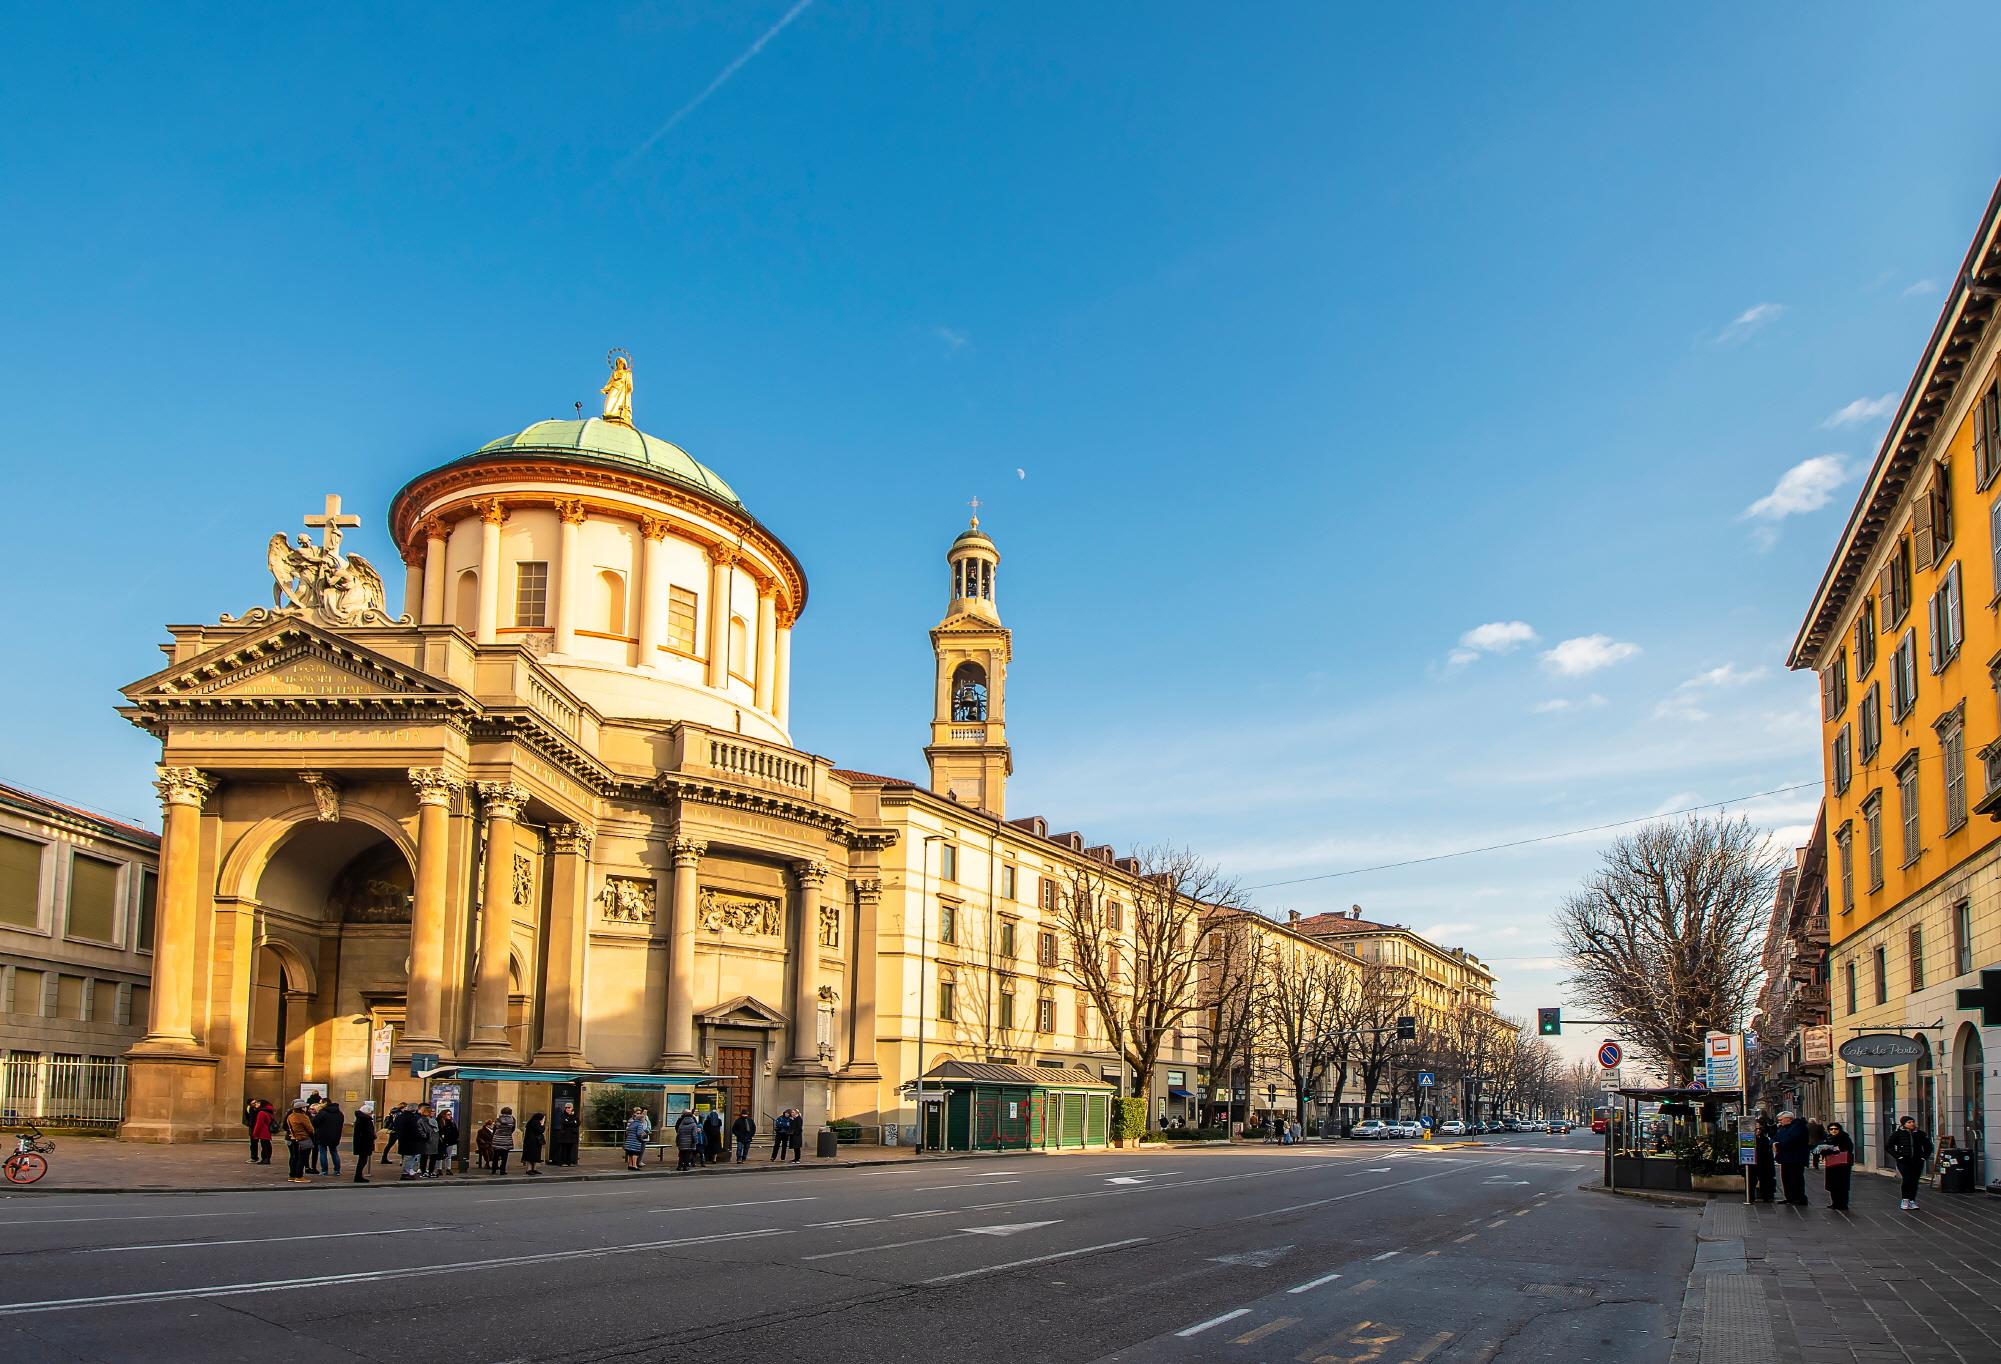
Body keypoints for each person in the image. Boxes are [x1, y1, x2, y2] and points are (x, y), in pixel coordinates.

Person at [1888, 1115, 1934, 1211]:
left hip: (1917, 1161)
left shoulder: (1920, 1134)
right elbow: (1889, 1146)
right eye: (1909, 1122)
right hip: (1904, 1160)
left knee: (1914, 1180)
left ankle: (1912, 1200)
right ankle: (1905, 1200)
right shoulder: (1897, 1134)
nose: (1911, 1124)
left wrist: (1923, 1157)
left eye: (1912, 1122)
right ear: (1903, 1124)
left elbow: (1928, 1146)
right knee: (1907, 1178)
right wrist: (1898, 1156)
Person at [1772, 1110, 1811, 1206]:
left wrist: (1779, 1144)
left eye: (1781, 1120)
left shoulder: (1799, 1127)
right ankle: (1789, 1197)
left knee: (1796, 1178)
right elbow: (1775, 1138)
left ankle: (1798, 1198)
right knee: (1786, 1178)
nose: (1779, 1122)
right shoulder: (1782, 1128)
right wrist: (1774, 1143)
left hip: (1796, 1157)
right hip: (1785, 1157)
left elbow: (1792, 1140)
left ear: (1788, 1119)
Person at [1815, 1121, 1855, 1210]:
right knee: (1832, 1184)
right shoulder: (1828, 1138)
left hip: (1842, 1165)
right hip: (1831, 1164)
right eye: (1831, 1129)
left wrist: (1832, 1148)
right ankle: (1835, 1203)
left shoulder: (1844, 1138)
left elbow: (1847, 1149)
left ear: (1839, 1129)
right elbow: (1820, 1150)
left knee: (1841, 1184)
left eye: (1835, 1129)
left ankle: (1843, 1204)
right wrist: (1824, 1149)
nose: (1833, 1131)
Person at [283, 1100, 317, 1184]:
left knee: (294, 1157)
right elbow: (310, 1129)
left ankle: (292, 1175)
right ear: (301, 1108)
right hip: (303, 1138)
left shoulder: (290, 1116)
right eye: (304, 1107)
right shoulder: (303, 1117)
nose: (306, 1108)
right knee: (302, 1158)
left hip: (294, 1138)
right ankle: (299, 1176)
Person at [312, 1097, 344, 1177]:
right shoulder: (339, 1113)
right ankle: (337, 1170)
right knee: (334, 1152)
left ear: (325, 1103)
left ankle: (324, 1171)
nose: (319, 1104)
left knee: (323, 1153)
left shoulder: (322, 1112)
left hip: (322, 1135)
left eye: (320, 1103)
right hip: (335, 1136)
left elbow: (314, 1122)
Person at [396, 1102, 427, 1180]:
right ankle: (406, 1173)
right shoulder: (412, 1118)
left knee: (407, 1157)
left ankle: (408, 1172)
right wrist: (420, 1136)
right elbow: (415, 1130)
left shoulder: (400, 1117)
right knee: (409, 1157)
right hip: (410, 1140)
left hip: (403, 1140)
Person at [351, 1101, 376, 1184]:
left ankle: (359, 1175)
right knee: (363, 1160)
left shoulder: (362, 1119)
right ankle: (358, 1176)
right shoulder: (364, 1120)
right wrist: (373, 1136)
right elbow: (367, 1132)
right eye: (371, 1112)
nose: (371, 1114)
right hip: (364, 1143)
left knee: (363, 1160)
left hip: (362, 1142)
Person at [1751, 1118, 1775, 1203]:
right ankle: (1751, 1196)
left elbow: (1767, 1153)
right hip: (1753, 1162)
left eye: (1759, 1129)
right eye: (1755, 1129)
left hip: (1763, 1162)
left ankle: (1766, 1196)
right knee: (1752, 1180)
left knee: (1764, 1179)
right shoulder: (1750, 1139)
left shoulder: (1764, 1139)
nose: (1757, 1131)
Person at [550, 1103, 580, 1167]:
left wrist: (571, 1120)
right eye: (566, 1108)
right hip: (564, 1135)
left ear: (572, 1108)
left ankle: (569, 1162)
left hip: (572, 1135)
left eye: (569, 1108)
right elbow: (565, 1123)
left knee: (570, 1149)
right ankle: (562, 1162)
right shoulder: (563, 1115)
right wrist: (572, 1122)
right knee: (563, 1149)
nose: (567, 1109)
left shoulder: (574, 1115)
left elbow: (578, 1123)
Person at [491, 1106, 518, 1176]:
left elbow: (494, 1129)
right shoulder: (513, 1120)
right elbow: (513, 1129)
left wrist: (496, 1135)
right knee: (505, 1156)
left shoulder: (498, 1119)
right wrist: (507, 1134)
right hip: (507, 1139)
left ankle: (494, 1169)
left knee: (495, 1156)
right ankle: (502, 1170)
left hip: (497, 1139)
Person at [627, 1107, 655, 1171]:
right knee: (635, 1152)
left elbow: (648, 1126)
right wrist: (644, 1134)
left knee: (632, 1152)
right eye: (638, 1113)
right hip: (635, 1140)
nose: (641, 1114)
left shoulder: (637, 1122)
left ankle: (631, 1165)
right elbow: (638, 1133)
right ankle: (634, 1165)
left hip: (632, 1139)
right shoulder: (636, 1122)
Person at [435, 1107, 459, 1177]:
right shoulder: (439, 1121)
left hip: (450, 1141)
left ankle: (448, 1169)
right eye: (448, 1114)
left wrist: (454, 1139)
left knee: (449, 1156)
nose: (450, 1116)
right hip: (441, 1141)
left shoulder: (452, 1122)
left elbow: (455, 1131)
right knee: (440, 1155)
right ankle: (439, 1169)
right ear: (444, 1115)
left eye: (450, 1114)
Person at [249, 1100, 275, 1166]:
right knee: (267, 1145)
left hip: (263, 1131)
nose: (256, 1104)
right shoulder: (268, 1111)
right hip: (267, 1131)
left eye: (258, 1103)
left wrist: (254, 1133)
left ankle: (265, 1159)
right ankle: (267, 1158)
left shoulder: (261, 1112)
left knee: (265, 1146)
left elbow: (258, 1124)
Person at [522, 1111, 546, 1176]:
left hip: (531, 1141)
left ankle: (533, 1169)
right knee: (532, 1156)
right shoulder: (536, 1123)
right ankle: (529, 1169)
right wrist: (542, 1124)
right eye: (543, 1118)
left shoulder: (531, 1122)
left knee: (533, 1155)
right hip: (533, 1142)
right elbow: (540, 1130)